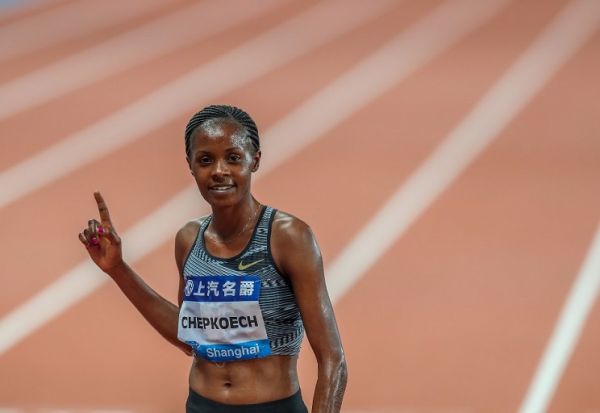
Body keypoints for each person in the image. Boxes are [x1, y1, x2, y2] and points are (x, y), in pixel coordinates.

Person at [78, 105, 347, 412]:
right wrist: (118, 270)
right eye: (205, 160)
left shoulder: (288, 237)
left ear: (254, 160)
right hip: (202, 405)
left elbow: (332, 360)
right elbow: (189, 336)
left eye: (233, 158)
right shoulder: (189, 239)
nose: (219, 170)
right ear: (191, 165)